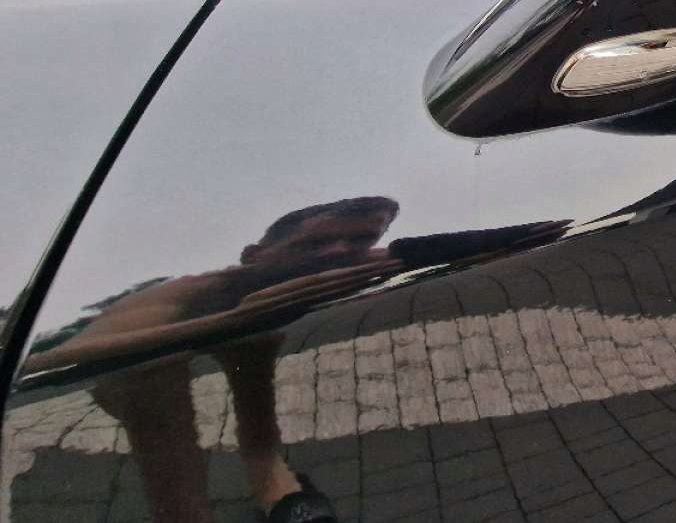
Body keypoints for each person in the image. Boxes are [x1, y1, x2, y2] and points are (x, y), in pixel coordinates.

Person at [33, 197, 401, 523]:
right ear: (254, 256)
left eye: (361, 240)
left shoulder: (348, 264)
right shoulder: (185, 294)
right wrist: (236, 319)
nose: (339, 252)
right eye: (314, 243)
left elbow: (413, 251)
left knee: (257, 396)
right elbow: (63, 359)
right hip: (160, 363)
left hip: (247, 328)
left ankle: (273, 483)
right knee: (155, 386)